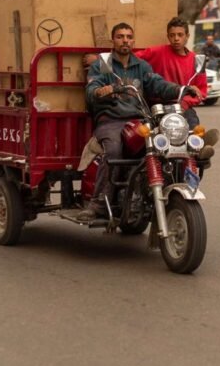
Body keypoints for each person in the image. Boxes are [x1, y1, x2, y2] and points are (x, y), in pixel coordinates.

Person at [79, 22, 199, 221]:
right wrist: (101, 90)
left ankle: (149, 194)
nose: (125, 40)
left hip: (138, 120)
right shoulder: (103, 64)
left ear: (133, 40)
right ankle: (99, 202)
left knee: (163, 146)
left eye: (128, 37)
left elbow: (157, 84)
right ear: (113, 40)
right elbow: (90, 90)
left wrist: (181, 89)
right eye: (120, 37)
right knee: (115, 150)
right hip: (110, 121)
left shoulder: (141, 66)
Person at [136, 17, 208, 128]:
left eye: (180, 35)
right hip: (157, 105)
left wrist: (185, 102)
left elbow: (202, 91)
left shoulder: (197, 60)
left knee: (195, 130)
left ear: (187, 36)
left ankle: (202, 144)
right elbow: (132, 58)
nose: (176, 39)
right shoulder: (157, 52)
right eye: (172, 35)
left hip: (183, 106)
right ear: (168, 36)